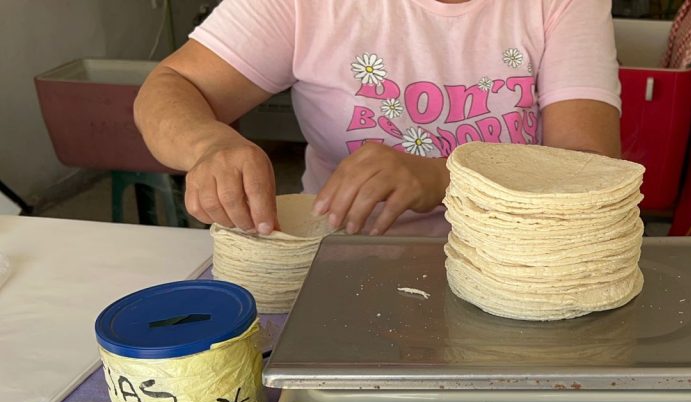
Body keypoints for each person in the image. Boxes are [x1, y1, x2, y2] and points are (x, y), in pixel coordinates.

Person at [135, 0, 622, 237]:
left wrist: (447, 177)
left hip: (517, 261)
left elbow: (590, 165)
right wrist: (210, 145)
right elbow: (175, 85)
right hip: (342, 263)